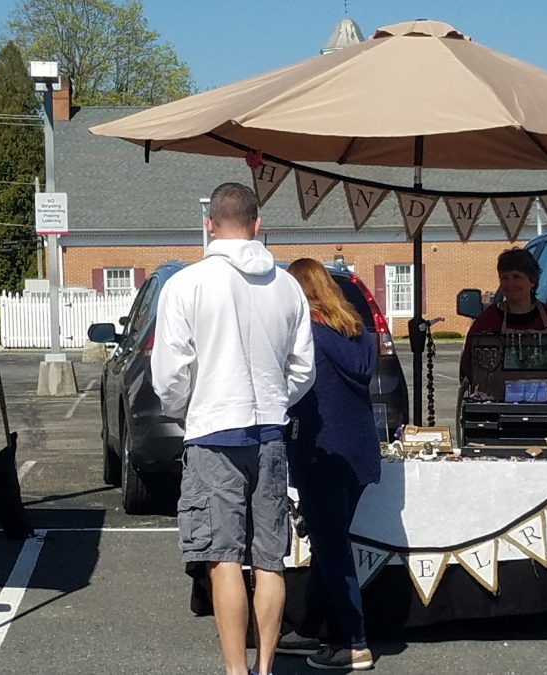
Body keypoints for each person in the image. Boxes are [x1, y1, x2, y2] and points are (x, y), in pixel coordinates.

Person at [151, 182, 315, 675]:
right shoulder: (287, 285)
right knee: (270, 558)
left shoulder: (186, 284)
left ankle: (234, 671)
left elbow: (169, 375)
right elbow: (303, 368)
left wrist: (189, 409)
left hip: (212, 431)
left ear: (209, 225)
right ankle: (265, 666)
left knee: (221, 557)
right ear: (258, 224)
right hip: (268, 430)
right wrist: (272, 400)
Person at [276, 258, 379, 671]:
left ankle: (353, 641)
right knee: (328, 540)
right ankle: (312, 626)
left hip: (320, 449)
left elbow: (293, 391)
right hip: (358, 450)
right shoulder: (357, 331)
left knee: (333, 547)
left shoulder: (308, 336)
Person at [459, 247, 547, 381]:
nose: (510, 283)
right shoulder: (487, 319)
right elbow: (467, 367)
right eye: (504, 278)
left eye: (516, 276)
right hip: (496, 400)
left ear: (532, 280)